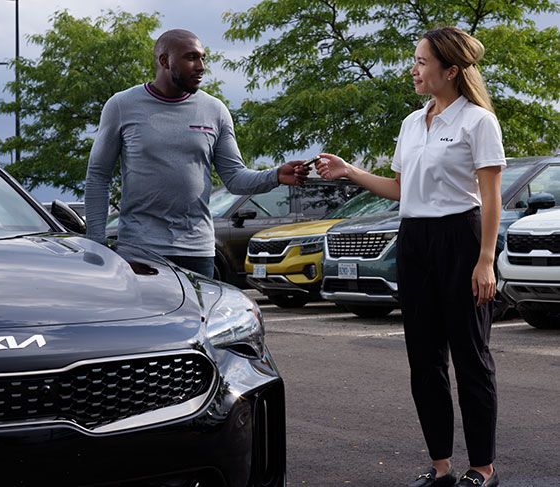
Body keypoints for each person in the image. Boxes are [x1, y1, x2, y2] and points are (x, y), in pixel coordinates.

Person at [315, 27, 504, 487]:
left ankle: (482, 469)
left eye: (421, 62)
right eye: (415, 60)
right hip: (414, 240)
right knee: (424, 359)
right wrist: (351, 172)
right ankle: (440, 467)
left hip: (461, 238)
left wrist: (484, 259)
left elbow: (491, 198)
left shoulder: (478, 122)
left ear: (451, 70)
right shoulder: (410, 124)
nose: (414, 69)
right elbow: (401, 192)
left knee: (471, 358)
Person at [84, 29, 309, 278]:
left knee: (197, 318)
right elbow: (98, 175)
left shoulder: (215, 110)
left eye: (203, 58)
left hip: (198, 251)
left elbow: (234, 178)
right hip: (140, 249)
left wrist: (276, 175)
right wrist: (97, 245)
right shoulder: (121, 105)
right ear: (164, 61)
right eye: (191, 58)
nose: (201, 66)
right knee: (148, 318)